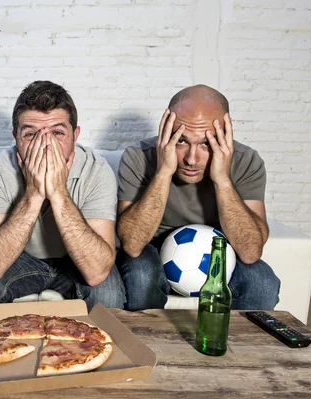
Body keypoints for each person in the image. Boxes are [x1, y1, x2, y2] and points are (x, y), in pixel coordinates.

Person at [116, 84, 280, 311]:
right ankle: (147, 344)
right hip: (151, 249)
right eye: (181, 140)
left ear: (226, 133)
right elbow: (132, 245)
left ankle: (239, 345)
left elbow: (250, 252)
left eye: (206, 143)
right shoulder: (138, 157)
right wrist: (163, 172)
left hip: (220, 253)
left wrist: (222, 179)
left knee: (262, 283)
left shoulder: (247, 161)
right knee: (141, 275)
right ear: (166, 129)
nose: (191, 159)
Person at [0, 80, 125, 309]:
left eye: (57, 132)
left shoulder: (96, 170)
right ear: (15, 137)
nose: (45, 145)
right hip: (21, 259)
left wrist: (59, 193)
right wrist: (34, 194)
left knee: (109, 295)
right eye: (31, 134)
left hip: (75, 262)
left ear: (75, 135)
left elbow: (96, 272)